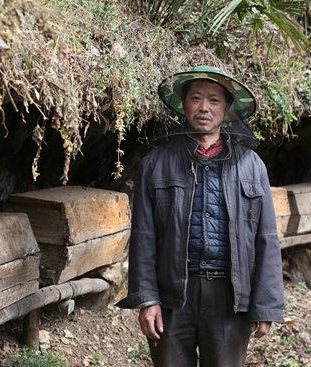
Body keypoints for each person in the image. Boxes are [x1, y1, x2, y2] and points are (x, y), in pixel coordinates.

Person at [116, 65, 285, 367]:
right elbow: (143, 236)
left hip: (230, 299)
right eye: (196, 98)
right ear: (184, 105)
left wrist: (266, 306)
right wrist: (147, 299)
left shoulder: (251, 165)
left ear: (227, 109)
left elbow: (266, 238)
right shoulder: (156, 163)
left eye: (214, 100)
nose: (204, 107)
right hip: (171, 297)